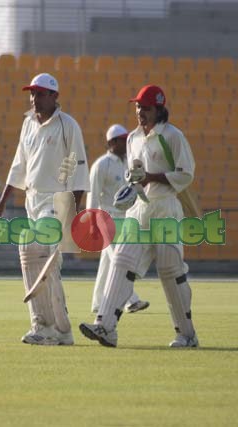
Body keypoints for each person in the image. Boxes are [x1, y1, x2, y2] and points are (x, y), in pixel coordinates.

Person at [79, 85, 198, 348]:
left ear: (158, 109)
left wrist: (151, 178)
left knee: (169, 270)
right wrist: (130, 187)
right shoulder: (133, 138)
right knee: (121, 259)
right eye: (137, 107)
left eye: (145, 108)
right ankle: (105, 326)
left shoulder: (172, 135)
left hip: (166, 208)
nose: (140, 112)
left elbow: (186, 173)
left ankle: (187, 335)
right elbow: (134, 175)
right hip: (140, 209)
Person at [0, 73, 90, 346]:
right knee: (38, 257)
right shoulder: (28, 124)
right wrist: (1, 204)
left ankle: (52, 327)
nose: (34, 98)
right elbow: (18, 166)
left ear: (55, 96)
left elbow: (79, 169)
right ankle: (50, 328)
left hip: (58, 200)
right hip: (32, 202)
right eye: (32, 93)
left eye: (41, 93)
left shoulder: (68, 126)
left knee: (35, 247)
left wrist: (73, 212)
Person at [87, 124, 150, 314]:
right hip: (105, 217)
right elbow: (93, 194)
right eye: (121, 140)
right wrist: (92, 223)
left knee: (109, 262)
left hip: (126, 218)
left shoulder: (127, 163)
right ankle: (131, 300)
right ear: (111, 142)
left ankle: (98, 303)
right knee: (119, 260)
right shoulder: (101, 164)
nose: (125, 143)